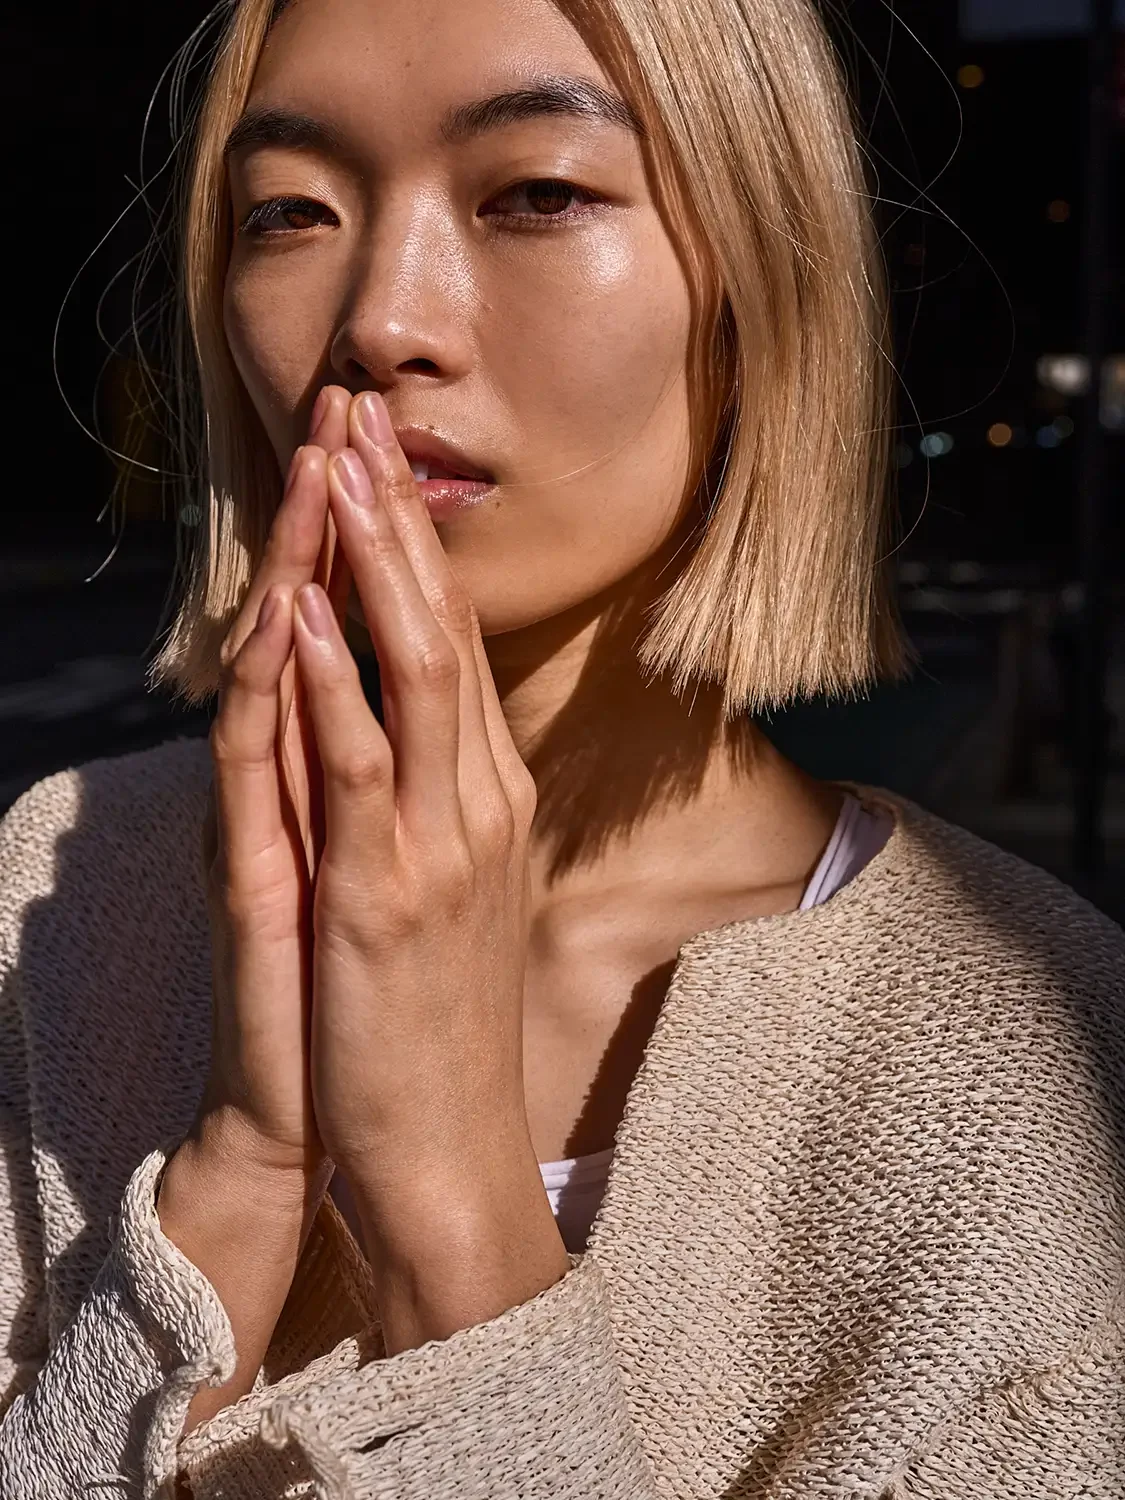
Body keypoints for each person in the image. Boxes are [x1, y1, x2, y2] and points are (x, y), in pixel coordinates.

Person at [1, 0, 1122, 1494]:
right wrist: (243, 1166)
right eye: (290, 211)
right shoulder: (62, 890)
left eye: (537, 192)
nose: (378, 320)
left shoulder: (1027, 1071)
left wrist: (452, 1204)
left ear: (760, 288)